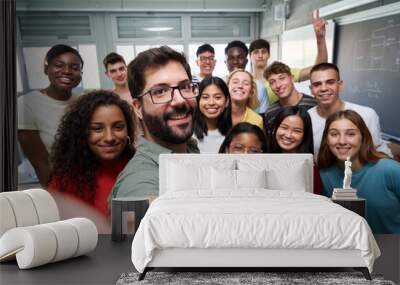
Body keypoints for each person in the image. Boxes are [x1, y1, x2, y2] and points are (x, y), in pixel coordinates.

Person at [111, 46, 200, 200]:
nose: (180, 100)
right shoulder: (140, 184)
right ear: (138, 108)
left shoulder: (190, 150)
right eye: (160, 92)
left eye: (185, 87)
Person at [49, 90, 135, 217]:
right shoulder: (64, 181)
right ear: (81, 133)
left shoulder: (141, 167)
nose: (109, 137)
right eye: (97, 129)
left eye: (118, 127)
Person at [318, 110, 400, 234]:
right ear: (326, 139)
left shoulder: (390, 170)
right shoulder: (323, 176)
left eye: (350, 134)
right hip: (348, 251)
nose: (342, 141)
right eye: (334, 134)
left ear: (363, 137)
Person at [18, 44, 83, 187]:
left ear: (80, 74)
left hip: (90, 180)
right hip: (60, 185)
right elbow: (40, 163)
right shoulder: (26, 104)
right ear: (46, 68)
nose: (66, 71)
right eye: (59, 65)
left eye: (75, 67)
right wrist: (57, 196)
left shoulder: (82, 102)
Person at [308, 62, 392, 157]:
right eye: (317, 84)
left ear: (340, 85)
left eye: (330, 82)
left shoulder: (366, 115)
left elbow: (380, 153)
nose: (323, 88)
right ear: (311, 90)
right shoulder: (306, 119)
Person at [249, 9, 328, 109]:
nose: (260, 55)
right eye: (256, 52)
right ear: (250, 56)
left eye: (263, 51)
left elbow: (319, 69)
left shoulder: (282, 72)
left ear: (269, 55)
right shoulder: (247, 80)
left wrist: (320, 38)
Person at [267, 106, 323, 194]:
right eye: (284, 127)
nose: (288, 135)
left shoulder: (310, 167)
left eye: (297, 131)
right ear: (275, 128)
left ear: (304, 136)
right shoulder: (263, 160)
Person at [264, 61, 317, 135]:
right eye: (272, 82)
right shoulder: (270, 112)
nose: (278, 85)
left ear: (292, 78)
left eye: (282, 78)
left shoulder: (313, 104)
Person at [193, 76, 232, 153]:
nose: (211, 103)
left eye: (217, 97)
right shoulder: (188, 134)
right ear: (198, 100)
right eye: (205, 97)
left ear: (227, 101)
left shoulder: (233, 137)